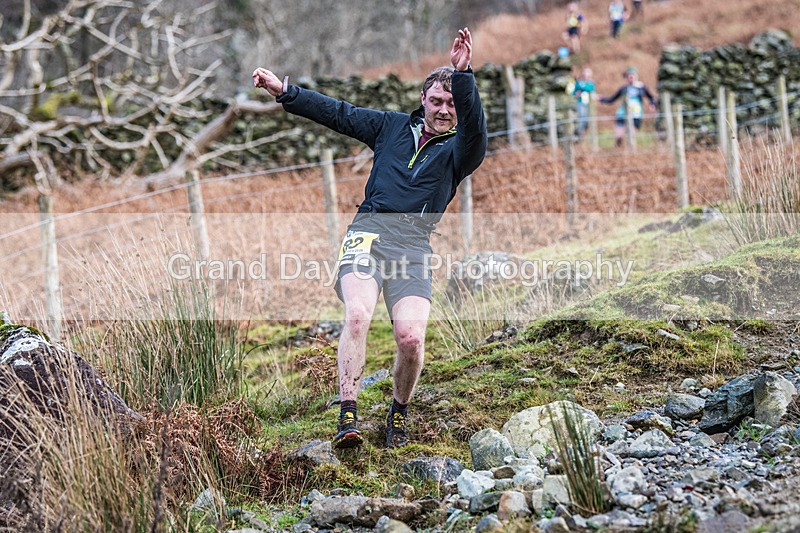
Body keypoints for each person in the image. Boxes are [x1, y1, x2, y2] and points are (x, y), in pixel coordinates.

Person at [252, 28, 487, 450]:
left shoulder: (461, 152)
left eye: (451, 104)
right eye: (436, 101)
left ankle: (399, 411)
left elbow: (475, 127)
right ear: (422, 100)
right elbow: (339, 113)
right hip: (368, 233)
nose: (444, 110)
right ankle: (348, 415)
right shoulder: (390, 128)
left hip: (413, 245)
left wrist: (463, 74)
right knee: (358, 315)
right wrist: (285, 92)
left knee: (411, 339)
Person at [599, 66, 657, 147]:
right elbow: (612, 99)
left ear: (637, 76)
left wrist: (652, 105)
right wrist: (601, 99)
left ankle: (630, 153)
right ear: (626, 77)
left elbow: (651, 97)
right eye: (629, 75)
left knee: (631, 136)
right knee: (619, 136)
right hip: (622, 114)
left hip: (636, 115)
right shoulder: (623, 89)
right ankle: (618, 151)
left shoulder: (642, 87)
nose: (631, 77)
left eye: (633, 75)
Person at [569, 67, 596, 137]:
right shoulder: (578, 83)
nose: (586, 74)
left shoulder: (591, 83)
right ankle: (578, 135)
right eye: (585, 72)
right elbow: (573, 92)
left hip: (589, 105)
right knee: (581, 119)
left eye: (588, 73)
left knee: (587, 121)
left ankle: (583, 135)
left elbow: (590, 88)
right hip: (580, 103)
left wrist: (582, 87)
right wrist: (576, 94)